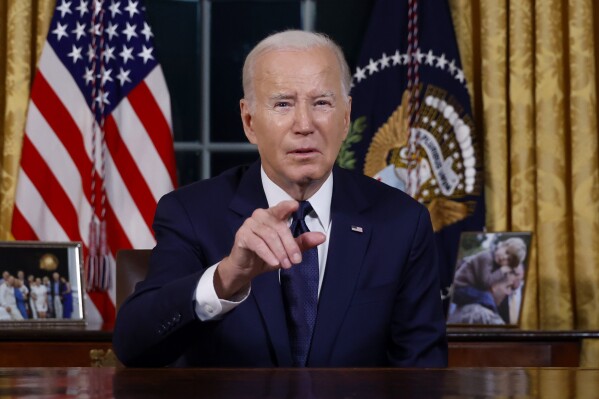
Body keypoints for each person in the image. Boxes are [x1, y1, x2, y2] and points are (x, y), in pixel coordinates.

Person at [113, 30, 447, 368]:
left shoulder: (402, 221)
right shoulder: (191, 213)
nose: (304, 124)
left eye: (322, 103)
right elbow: (134, 345)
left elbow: (422, 372)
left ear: (345, 118)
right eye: (283, 103)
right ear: (249, 122)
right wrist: (226, 277)